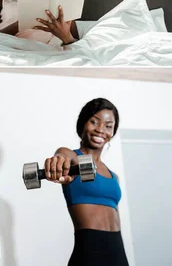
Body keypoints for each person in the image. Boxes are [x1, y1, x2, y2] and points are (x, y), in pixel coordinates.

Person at [44, 98, 129, 266]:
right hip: (90, 252)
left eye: (108, 126)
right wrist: (58, 161)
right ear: (83, 123)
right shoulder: (74, 158)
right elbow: (62, 157)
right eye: (94, 122)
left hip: (118, 253)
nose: (100, 130)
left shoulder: (114, 177)